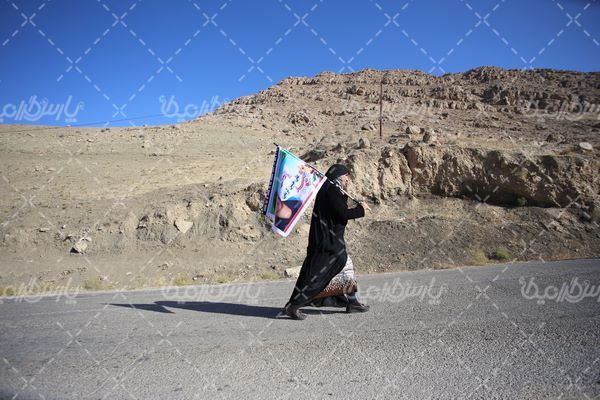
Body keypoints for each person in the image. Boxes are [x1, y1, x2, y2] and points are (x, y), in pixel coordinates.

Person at [283, 164, 370, 320]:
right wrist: (361, 209)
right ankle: (293, 306)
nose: (347, 179)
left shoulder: (329, 190)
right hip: (328, 244)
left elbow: (336, 212)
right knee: (315, 276)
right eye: (346, 175)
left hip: (330, 242)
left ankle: (353, 302)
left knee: (346, 266)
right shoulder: (331, 191)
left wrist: (346, 198)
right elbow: (342, 214)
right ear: (338, 176)